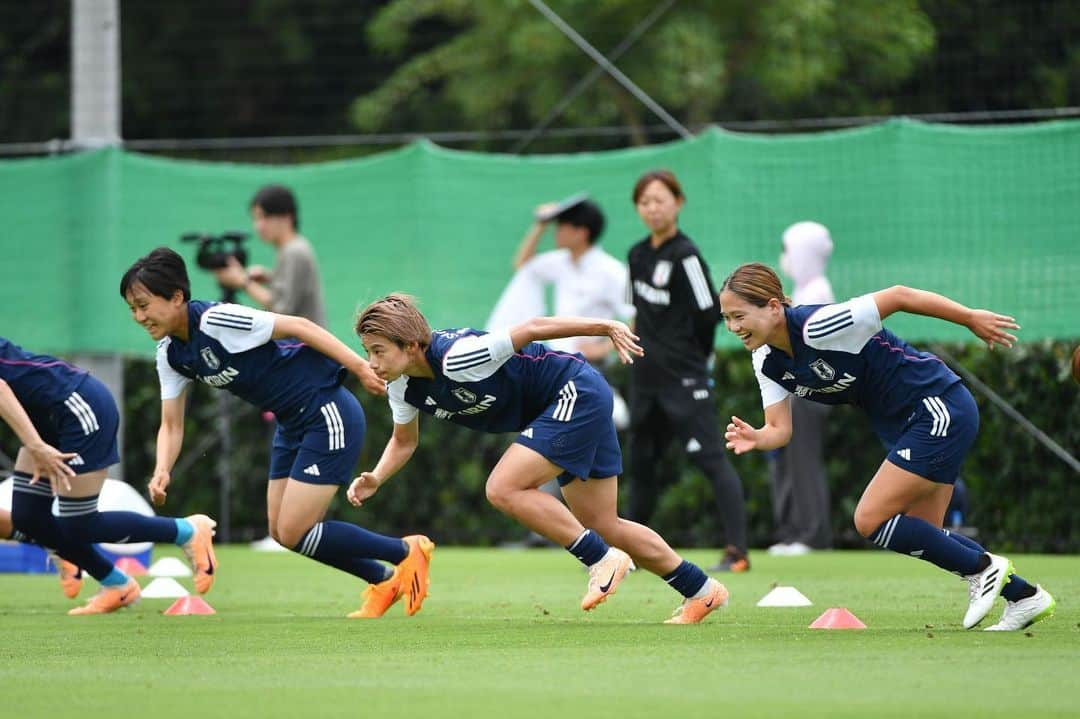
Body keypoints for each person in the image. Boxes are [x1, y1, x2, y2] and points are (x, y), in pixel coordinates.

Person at [350, 294, 728, 624]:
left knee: (503, 488)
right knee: (602, 522)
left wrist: (605, 326)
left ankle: (600, 560)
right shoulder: (401, 386)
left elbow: (532, 327)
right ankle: (701, 590)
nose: (372, 362)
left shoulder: (457, 357)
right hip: (565, 405)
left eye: (379, 351)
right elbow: (403, 441)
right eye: (368, 351)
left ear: (412, 346)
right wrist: (377, 477)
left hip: (574, 391)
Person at [719, 262, 1055, 631]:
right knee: (928, 533)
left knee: (868, 519)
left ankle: (985, 569)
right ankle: (1024, 596)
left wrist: (970, 318)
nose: (734, 327)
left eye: (739, 315)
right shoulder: (765, 360)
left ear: (771, 306)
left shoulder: (818, 325)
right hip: (903, 424)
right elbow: (779, 430)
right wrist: (757, 437)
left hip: (936, 404)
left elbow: (899, 296)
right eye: (727, 318)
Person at [120, 247, 433, 619]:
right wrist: (162, 469)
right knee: (283, 532)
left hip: (325, 411)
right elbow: (171, 423)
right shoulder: (171, 354)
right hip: (291, 423)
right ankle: (382, 579)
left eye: (144, 305)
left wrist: (358, 368)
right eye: (132, 309)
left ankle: (405, 551)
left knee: (296, 527)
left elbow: (300, 326)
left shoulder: (218, 320)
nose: (139, 316)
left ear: (176, 297)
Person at [0, 336, 217, 614]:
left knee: (79, 523)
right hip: (44, 418)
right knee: (30, 517)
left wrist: (34, 445)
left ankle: (186, 531)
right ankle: (117, 585)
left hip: (78, 407)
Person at [490, 195, 635, 547]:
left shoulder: (612, 271)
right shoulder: (560, 263)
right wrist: (539, 223)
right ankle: (556, 528)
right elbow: (523, 264)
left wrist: (601, 348)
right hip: (558, 369)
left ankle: (600, 527)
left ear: (581, 232)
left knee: (596, 434)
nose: (557, 232)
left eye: (562, 226)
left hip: (594, 370)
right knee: (545, 440)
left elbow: (632, 317)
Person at [625, 169, 749, 572]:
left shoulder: (687, 255)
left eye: (660, 199)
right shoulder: (637, 254)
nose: (652, 207)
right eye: (645, 201)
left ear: (678, 203)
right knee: (641, 464)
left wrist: (695, 358)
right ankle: (630, 552)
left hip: (684, 377)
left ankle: (737, 553)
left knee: (711, 459)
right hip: (645, 380)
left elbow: (708, 314)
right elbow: (636, 314)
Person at [767, 221, 836, 556]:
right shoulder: (802, 291)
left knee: (804, 461)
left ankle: (812, 535)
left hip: (810, 391)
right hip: (793, 389)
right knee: (786, 460)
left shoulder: (818, 292)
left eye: (788, 250)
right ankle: (793, 531)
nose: (784, 258)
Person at [214, 184, 327, 327]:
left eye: (264, 217)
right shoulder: (294, 247)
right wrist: (270, 278)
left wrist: (243, 281)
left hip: (304, 347)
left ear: (287, 216)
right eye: (255, 218)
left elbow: (282, 310)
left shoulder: (294, 251)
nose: (258, 226)